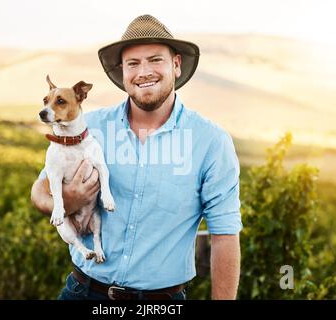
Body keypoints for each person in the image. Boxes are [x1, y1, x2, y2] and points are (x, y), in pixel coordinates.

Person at [31, 14, 242, 300]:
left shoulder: (211, 142)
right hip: (83, 291)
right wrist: (67, 200)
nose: (143, 72)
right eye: (133, 63)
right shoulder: (88, 128)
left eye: (155, 59)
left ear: (176, 65)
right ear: (123, 71)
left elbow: (225, 236)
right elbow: (39, 192)